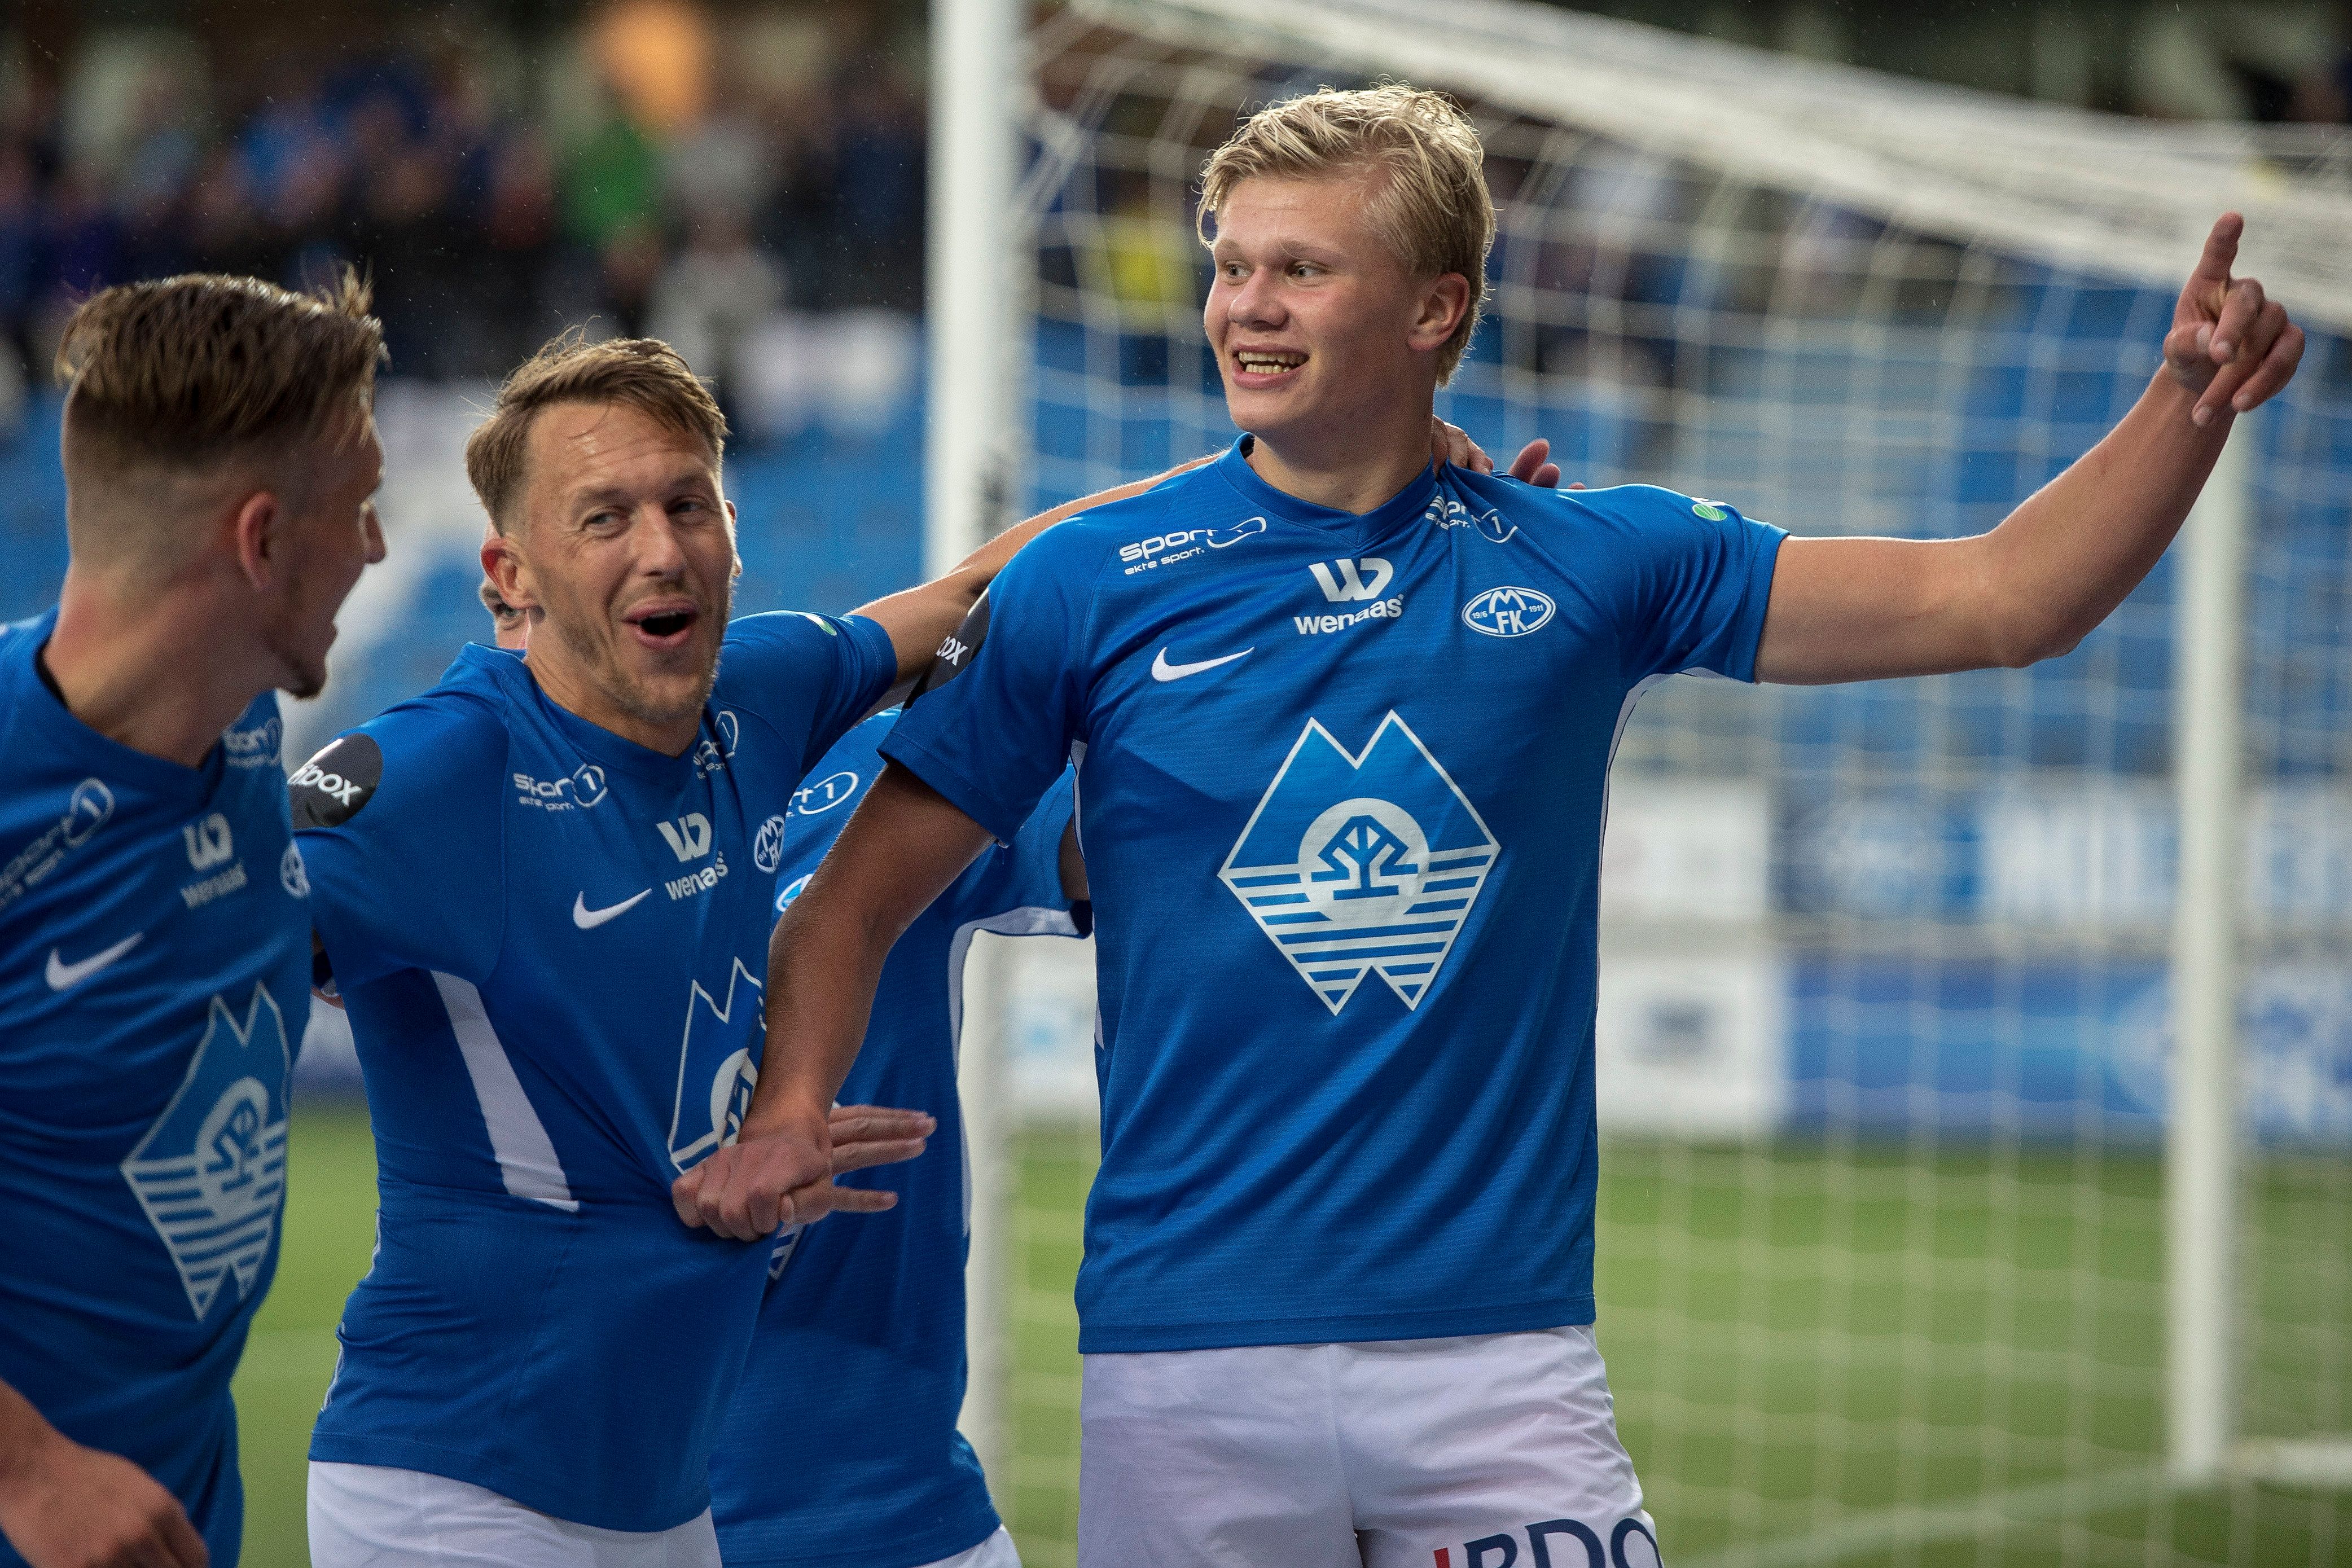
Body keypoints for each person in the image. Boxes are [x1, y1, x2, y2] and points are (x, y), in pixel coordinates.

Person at [679, 85, 2305, 1568]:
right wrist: (795, 1107)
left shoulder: (1593, 563)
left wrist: (2185, 400)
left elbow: (2002, 599)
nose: (1245, 304)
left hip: (1503, 1364)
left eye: (1300, 269)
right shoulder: (1088, 586)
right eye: (1232, 266)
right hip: (1185, 1368)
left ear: (1434, 309)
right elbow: (851, 901)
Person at [293, 331, 1337, 1567]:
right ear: (508, 573)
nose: (660, 548)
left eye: (686, 506)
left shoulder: (775, 702)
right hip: (468, 1479)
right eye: (603, 518)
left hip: (707, 1505)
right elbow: (201, 945)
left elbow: (987, 588)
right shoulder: (440, 771)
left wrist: (1310, 481)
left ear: (731, 529)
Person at [0, 273, 387, 1568]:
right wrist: (28, 1469)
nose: (379, 548)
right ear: (260, 543)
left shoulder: (243, 724)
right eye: (358, 507)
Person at [708, 718, 1086, 1568]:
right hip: (569, 1514)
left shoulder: (875, 761)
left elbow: (1142, 829)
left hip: (895, 1516)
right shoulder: (473, 784)